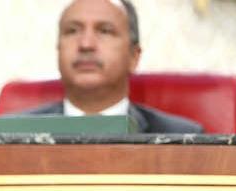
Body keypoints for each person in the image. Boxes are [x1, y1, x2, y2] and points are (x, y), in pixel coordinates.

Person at [21, 0, 203, 133]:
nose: (86, 44)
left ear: (133, 56)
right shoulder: (11, 136)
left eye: (105, 31)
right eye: (72, 30)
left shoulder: (183, 139)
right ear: (58, 50)